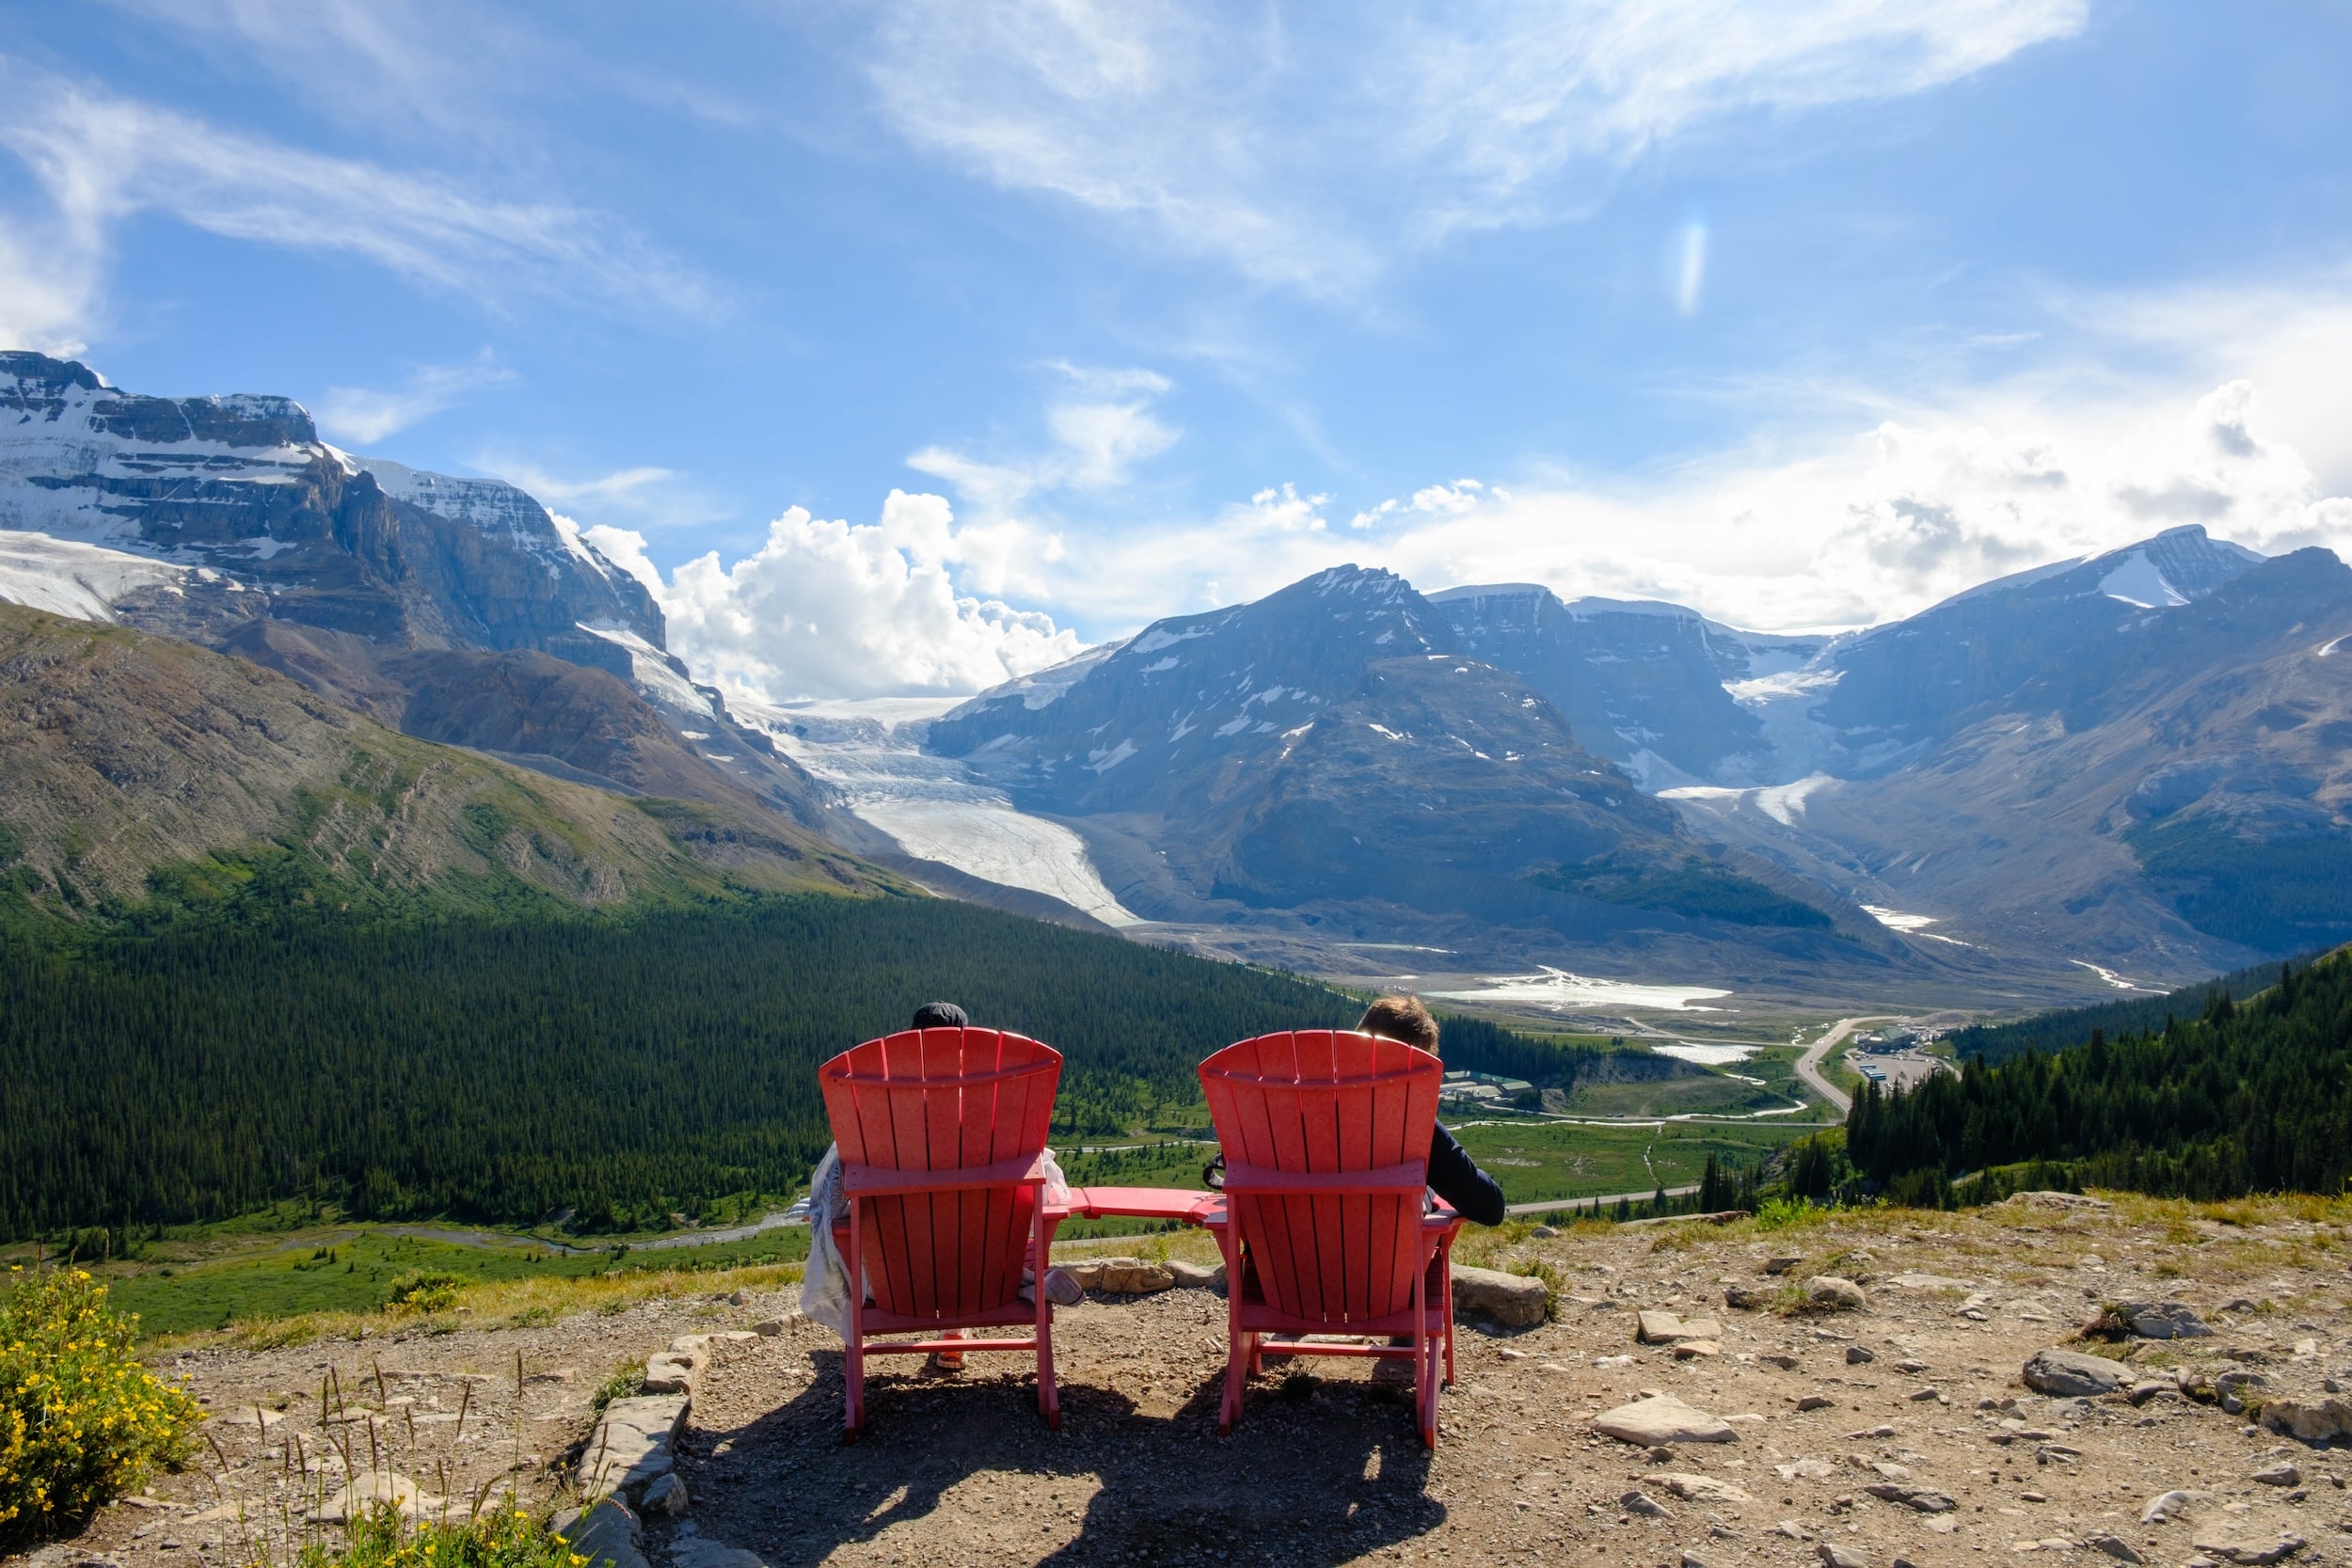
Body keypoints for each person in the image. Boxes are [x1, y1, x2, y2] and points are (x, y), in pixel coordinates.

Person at [1355, 994, 1508, 1227]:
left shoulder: (1299, 1104)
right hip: (1382, 1256)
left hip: (1296, 1254)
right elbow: (1489, 1208)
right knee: (1428, 1195)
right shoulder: (1413, 1124)